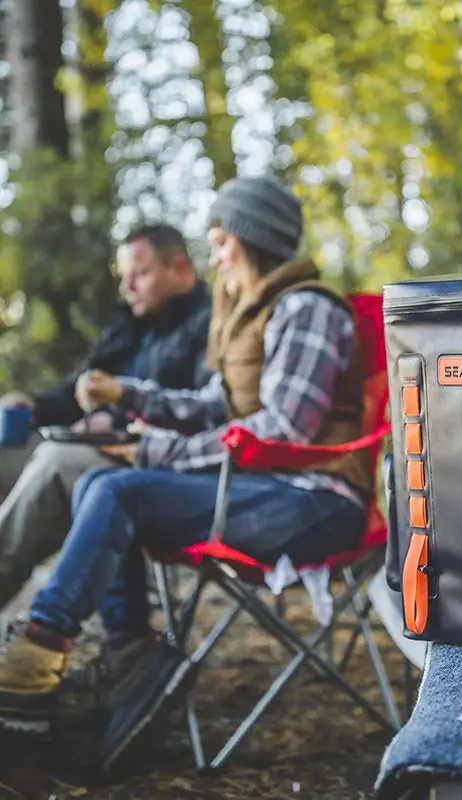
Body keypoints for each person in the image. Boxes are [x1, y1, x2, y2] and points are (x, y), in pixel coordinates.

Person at [0, 176, 371, 731]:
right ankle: (109, 654)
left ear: (251, 238)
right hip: (266, 486)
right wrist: (130, 394)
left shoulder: (306, 310)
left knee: (118, 489)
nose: (214, 256)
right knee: (98, 481)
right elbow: (214, 405)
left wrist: (156, 449)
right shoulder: (253, 313)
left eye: (221, 242)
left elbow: (283, 431)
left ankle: (41, 649)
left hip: (317, 498)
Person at [0, 225, 211, 617]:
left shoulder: (208, 324)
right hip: (93, 444)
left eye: (140, 275)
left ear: (180, 268)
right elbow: (81, 387)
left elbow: (206, 411)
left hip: (151, 459)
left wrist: (127, 421)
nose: (127, 288)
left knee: (55, 463)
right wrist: (34, 406)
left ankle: (54, 621)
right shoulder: (129, 322)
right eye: (124, 277)